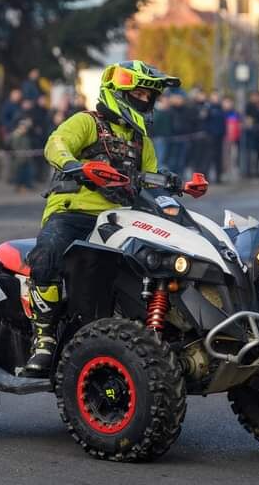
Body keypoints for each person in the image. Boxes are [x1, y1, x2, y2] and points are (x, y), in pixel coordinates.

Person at [22, 60, 179, 377]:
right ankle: (44, 339)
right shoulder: (87, 122)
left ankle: (159, 333)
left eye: (150, 95)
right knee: (46, 255)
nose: (145, 100)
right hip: (74, 213)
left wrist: (177, 183)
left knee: (167, 260)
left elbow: (147, 178)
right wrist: (76, 166)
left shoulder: (141, 140)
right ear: (118, 92)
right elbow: (56, 144)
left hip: (123, 219)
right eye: (139, 92)